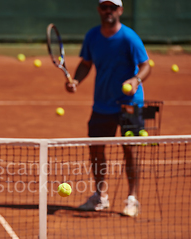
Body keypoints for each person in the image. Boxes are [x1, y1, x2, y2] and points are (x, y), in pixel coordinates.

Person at [65, 0, 151, 217]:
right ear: (99, 10)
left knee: (130, 149)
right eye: (105, 7)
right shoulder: (92, 36)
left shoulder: (129, 37)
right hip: (102, 104)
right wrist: (76, 81)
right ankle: (100, 196)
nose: (108, 11)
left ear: (120, 10)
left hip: (128, 104)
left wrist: (135, 80)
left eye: (113, 7)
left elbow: (146, 65)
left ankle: (132, 198)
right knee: (96, 148)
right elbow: (86, 63)